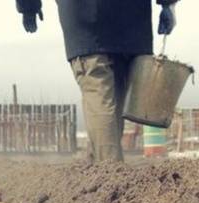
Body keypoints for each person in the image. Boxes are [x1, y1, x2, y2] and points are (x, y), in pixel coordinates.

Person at [17, 0, 179, 163]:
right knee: (114, 103)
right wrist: (167, 5)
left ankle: (111, 173)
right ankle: (98, 169)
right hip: (132, 20)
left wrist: (28, 7)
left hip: (87, 22)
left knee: (100, 96)